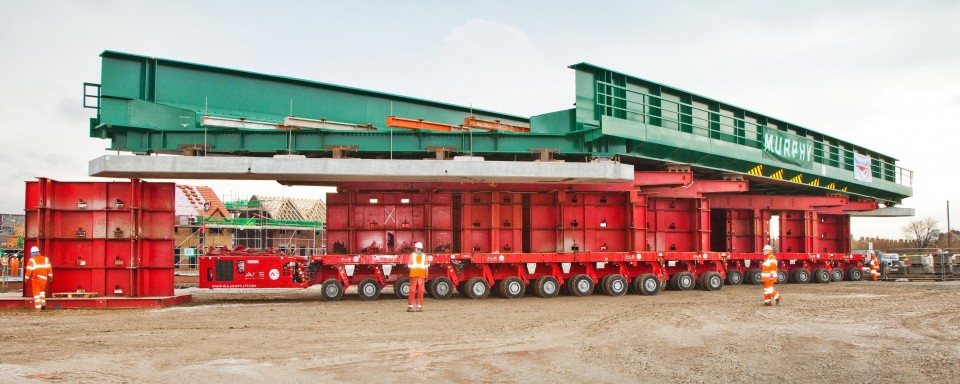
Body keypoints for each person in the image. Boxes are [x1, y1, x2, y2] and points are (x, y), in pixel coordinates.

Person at [24, 246, 53, 312]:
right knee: (42, 292)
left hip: (36, 279)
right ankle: (43, 303)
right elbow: (49, 268)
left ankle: (38, 308)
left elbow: (29, 270)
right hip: (44, 279)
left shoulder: (32, 260)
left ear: (32, 253)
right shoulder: (45, 259)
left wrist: (26, 278)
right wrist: (50, 277)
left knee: (36, 293)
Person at [407, 242, 428, 312]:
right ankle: (419, 307)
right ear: (421, 248)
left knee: (412, 291)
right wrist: (426, 276)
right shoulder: (424, 256)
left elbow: (409, 265)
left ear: (416, 248)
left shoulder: (412, 255)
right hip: (421, 275)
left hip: (413, 274)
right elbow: (426, 267)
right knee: (420, 291)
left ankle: (410, 307)